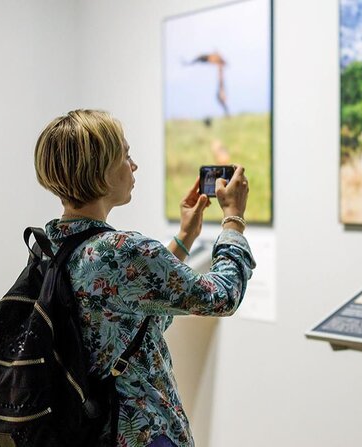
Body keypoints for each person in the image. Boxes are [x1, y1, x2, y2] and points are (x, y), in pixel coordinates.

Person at [33, 109, 255, 447]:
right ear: (101, 170)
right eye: (125, 155)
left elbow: (135, 321)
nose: (133, 165)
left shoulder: (53, 248)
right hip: (141, 433)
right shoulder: (120, 251)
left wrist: (185, 237)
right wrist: (233, 220)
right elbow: (222, 296)